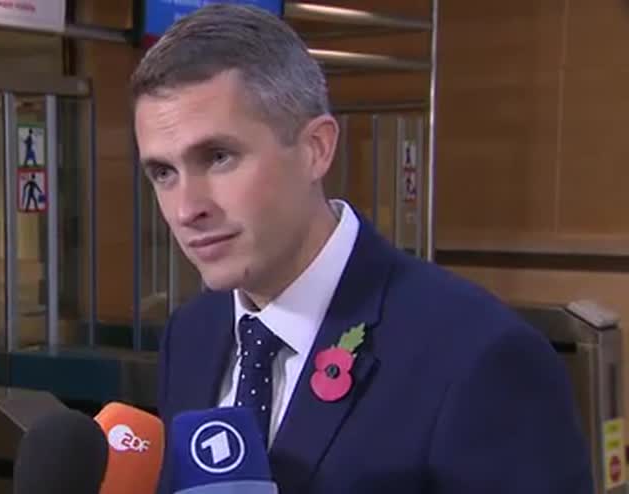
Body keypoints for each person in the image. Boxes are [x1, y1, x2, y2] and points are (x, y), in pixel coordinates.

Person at [130, 5, 593, 494]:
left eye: (219, 157)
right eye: (163, 172)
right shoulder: (192, 335)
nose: (187, 209)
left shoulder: (480, 356)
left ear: (316, 149)